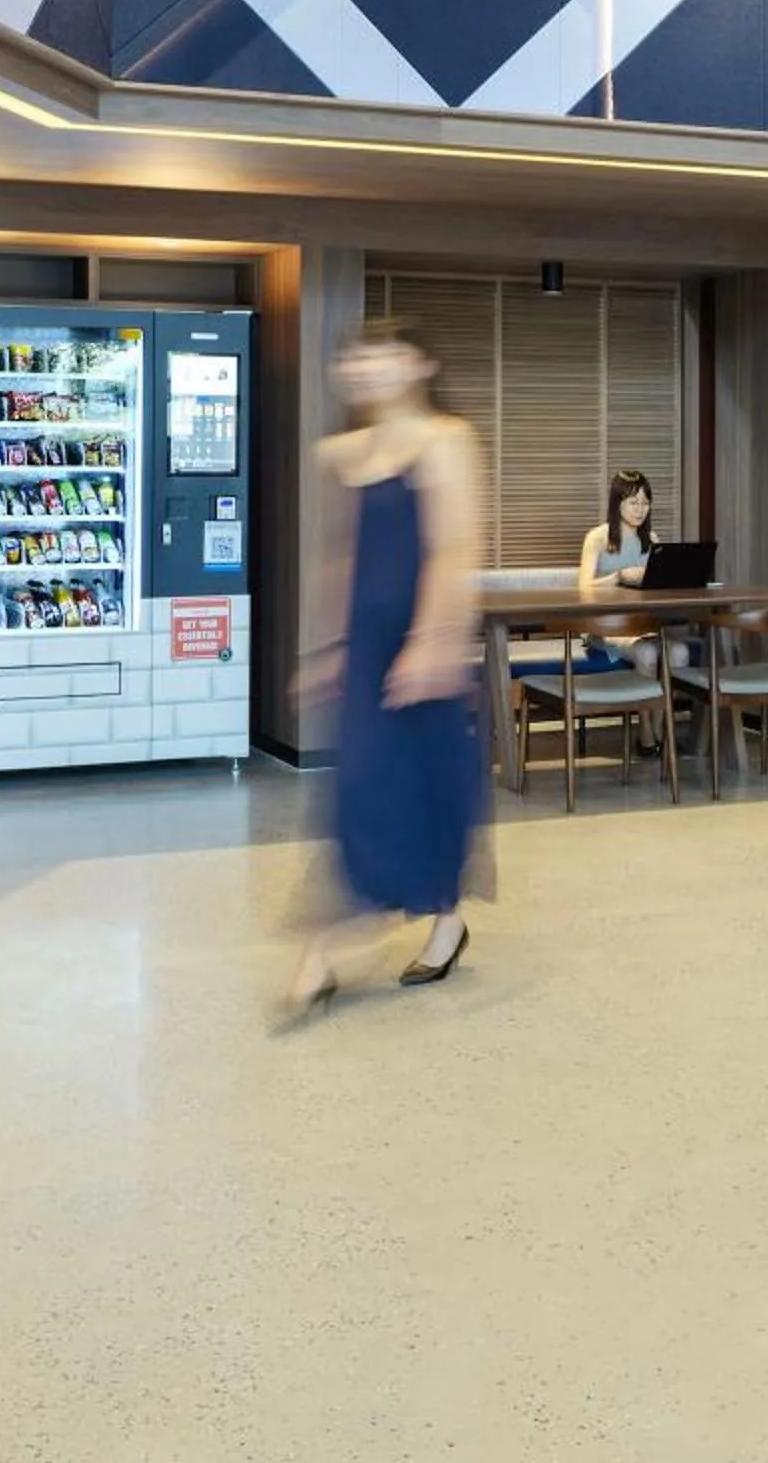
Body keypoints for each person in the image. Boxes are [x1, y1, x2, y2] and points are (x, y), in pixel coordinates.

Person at [286, 320, 492, 1020]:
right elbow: (340, 558)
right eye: (359, 357)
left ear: (421, 363)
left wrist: (433, 642)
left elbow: (455, 548)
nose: (369, 367)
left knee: (424, 785)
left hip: (420, 641)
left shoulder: (446, 440)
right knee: (364, 787)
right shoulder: (340, 451)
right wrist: (325, 648)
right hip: (369, 644)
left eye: (386, 354)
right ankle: (344, 931)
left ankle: (424, 923)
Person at [577, 469, 657, 589]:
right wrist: (618, 577)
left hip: (643, 606)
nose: (640, 510)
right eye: (634, 503)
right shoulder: (597, 537)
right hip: (606, 606)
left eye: (645, 503)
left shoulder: (652, 539)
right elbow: (584, 587)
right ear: (617, 504)